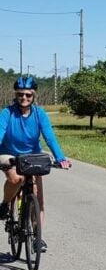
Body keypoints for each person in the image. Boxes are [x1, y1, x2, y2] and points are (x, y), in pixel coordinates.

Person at [0, 75, 71, 251]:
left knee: (37, 197)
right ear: (15, 95)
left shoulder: (39, 114)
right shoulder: (7, 113)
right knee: (16, 179)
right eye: (20, 94)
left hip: (32, 156)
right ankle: (4, 204)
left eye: (28, 95)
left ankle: (37, 237)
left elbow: (49, 136)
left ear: (33, 96)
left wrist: (61, 158)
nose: (24, 98)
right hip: (9, 153)